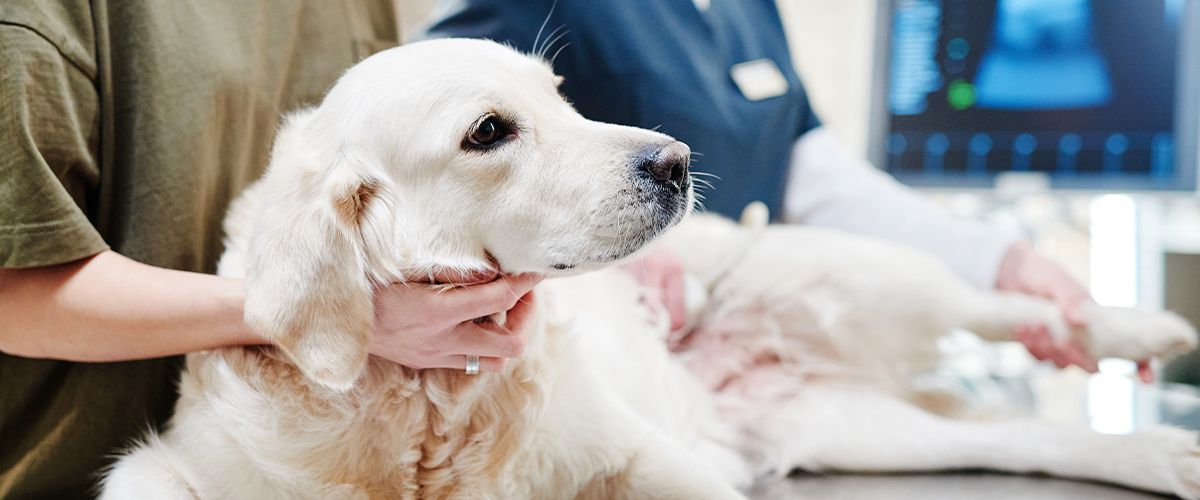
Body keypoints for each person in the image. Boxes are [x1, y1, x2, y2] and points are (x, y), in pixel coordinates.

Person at [419, 0, 1146, 376]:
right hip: (607, 367)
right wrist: (616, 257)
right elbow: (433, 137)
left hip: (744, 357)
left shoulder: (747, 8)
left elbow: (810, 169)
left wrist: (1002, 261)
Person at [0, 2, 539, 497]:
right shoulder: (35, 18)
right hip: (97, 470)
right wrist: (324, 312)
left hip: (326, 423)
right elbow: (14, 296)